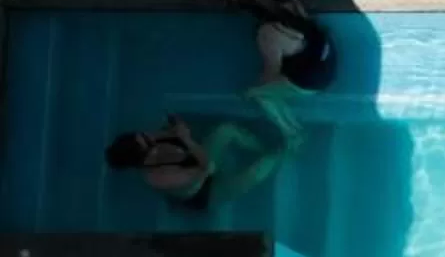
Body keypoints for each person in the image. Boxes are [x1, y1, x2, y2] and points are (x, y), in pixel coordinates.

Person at [104, 84, 303, 212]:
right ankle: (284, 150)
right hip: (206, 190)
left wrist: (176, 129)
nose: (150, 136)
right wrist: (186, 139)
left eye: (143, 135)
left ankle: (263, 145)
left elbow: (176, 129)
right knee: (253, 173)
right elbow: (208, 168)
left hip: (198, 161)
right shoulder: (157, 177)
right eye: (147, 140)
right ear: (143, 156)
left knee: (226, 131)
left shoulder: (151, 142)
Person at [237, 0, 338, 94]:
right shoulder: (291, 7)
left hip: (312, 80)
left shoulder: (267, 36)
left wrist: (252, 91)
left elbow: (271, 75)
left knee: (258, 94)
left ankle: (277, 107)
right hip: (326, 53)